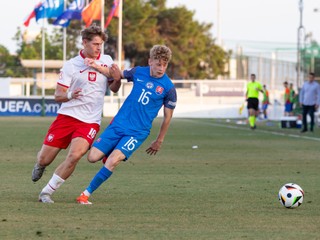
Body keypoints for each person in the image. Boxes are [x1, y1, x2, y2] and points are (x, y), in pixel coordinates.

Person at [76, 44, 177, 205]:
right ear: (150, 61)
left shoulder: (168, 88)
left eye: (165, 65)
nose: (161, 68)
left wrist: (159, 140)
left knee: (113, 161)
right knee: (92, 157)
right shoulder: (138, 72)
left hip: (137, 132)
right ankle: (109, 155)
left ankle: (85, 194)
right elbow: (115, 74)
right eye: (158, 64)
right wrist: (95, 65)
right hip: (119, 124)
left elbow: (167, 117)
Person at [31, 24, 122, 203]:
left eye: (101, 45)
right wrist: (71, 95)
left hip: (90, 121)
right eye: (95, 44)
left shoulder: (106, 60)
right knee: (45, 158)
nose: (98, 48)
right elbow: (58, 95)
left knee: (75, 155)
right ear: (84, 42)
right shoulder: (71, 65)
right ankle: (40, 165)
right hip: (67, 117)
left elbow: (114, 88)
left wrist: (117, 78)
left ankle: (46, 192)